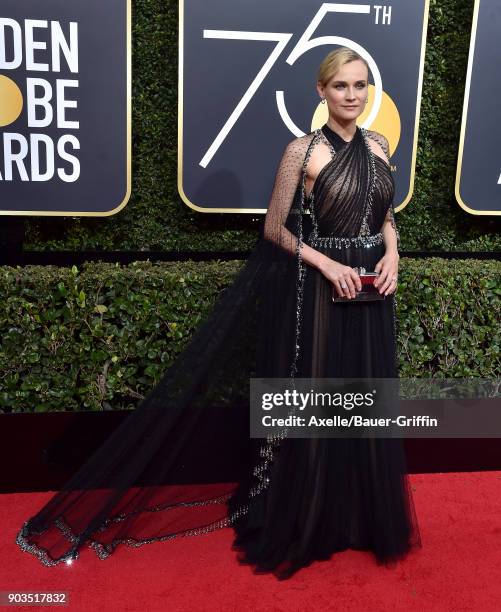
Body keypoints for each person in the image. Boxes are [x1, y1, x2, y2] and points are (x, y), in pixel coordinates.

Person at [16, 47, 421, 579]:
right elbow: (275, 229)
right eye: (341, 86)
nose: (353, 95)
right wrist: (326, 264)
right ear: (321, 92)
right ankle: (314, 515)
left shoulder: (379, 143)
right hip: (325, 290)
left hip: (374, 285)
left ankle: (358, 516)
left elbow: (385, 216)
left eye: (361, 85)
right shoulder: (301, 151)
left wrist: (392, 253)